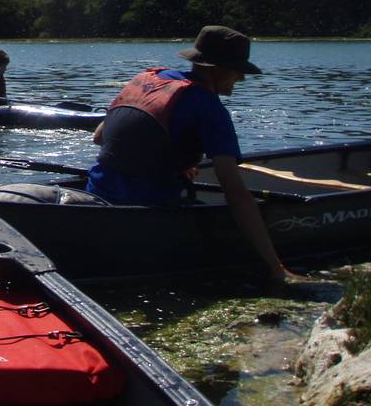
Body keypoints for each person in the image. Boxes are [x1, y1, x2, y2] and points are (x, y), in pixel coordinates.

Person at [86, 25, 298, 284]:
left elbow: (100, 137)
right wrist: (276, 268)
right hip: (146, 208)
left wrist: (170, 159)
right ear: (215, 68)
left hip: (97, 192)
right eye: (237, 70)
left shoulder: (146, 79)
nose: (240, 78)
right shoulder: (209, 108)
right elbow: (235, 193)